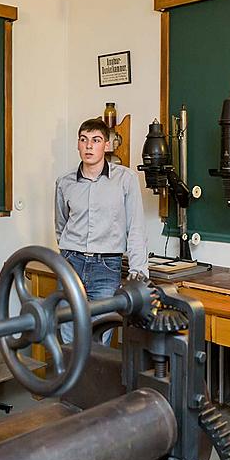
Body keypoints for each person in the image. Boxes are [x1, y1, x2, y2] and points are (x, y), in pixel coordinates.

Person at [55, 117, 148, 345]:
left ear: (107, 145)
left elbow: (135, 228)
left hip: (106, 267)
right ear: (77, 144)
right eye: (83, 140)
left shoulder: (126, 180)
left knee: (100, 339)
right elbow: (61, 226)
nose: (88, 146)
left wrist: (139, 271)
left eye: (96, 140)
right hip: (70, 264)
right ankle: (72, 381)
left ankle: (93, 382)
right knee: (68, 335)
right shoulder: (64, 183)